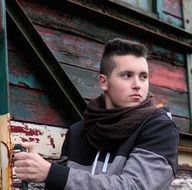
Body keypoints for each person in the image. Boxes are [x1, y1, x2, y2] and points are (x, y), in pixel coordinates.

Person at [14, 38, 179, 190]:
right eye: (127, 75)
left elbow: (135, 186)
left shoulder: (159, 128)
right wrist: (37, 168)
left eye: (143, 77)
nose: (137, 85)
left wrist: (52, 173)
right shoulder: (79, 131)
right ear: (104, 82)